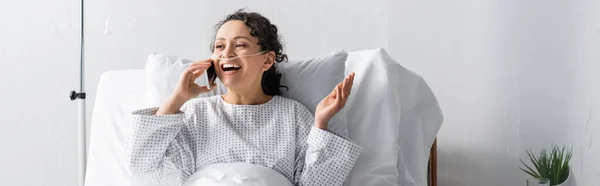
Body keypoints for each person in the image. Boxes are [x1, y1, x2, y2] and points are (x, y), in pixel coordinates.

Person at [124, 9, 362, 186]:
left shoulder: (293, 115)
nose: (226, 53)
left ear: (267, 60)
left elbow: (318, 183)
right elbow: (141, 167)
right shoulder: (196, 114)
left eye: (239, 45)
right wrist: (176, 99)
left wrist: (321, 124)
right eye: (219, 46)